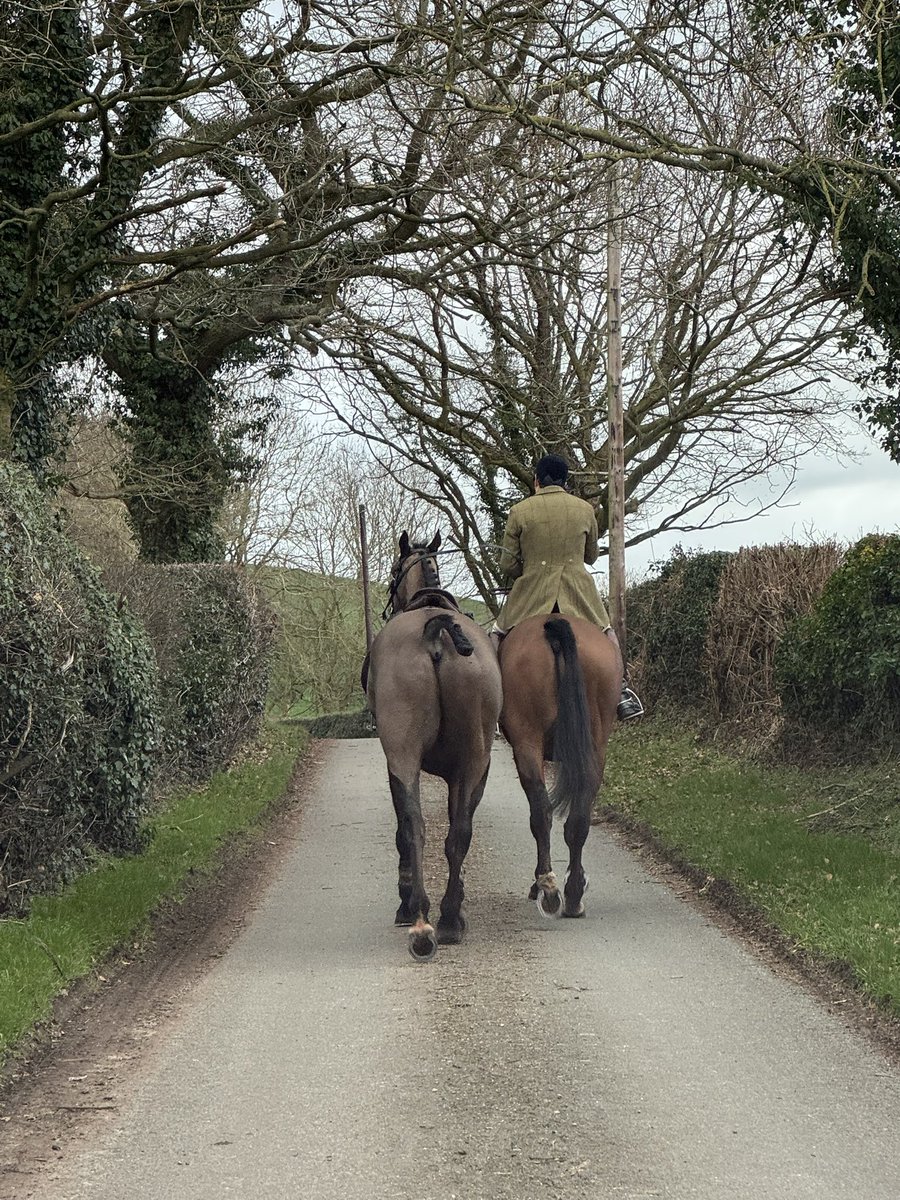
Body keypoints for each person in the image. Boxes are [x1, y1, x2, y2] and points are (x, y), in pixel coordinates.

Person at [491, 453, 644, 722]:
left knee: (496, 635)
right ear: (565, 481)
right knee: (608, 634)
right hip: (578, 592)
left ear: (536, 479)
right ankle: (622, 692)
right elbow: (591, 556)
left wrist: (525, 570)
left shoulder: (520, 511)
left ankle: (488, 701)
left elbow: (507, 563)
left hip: (532, 594)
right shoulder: (585, 510)